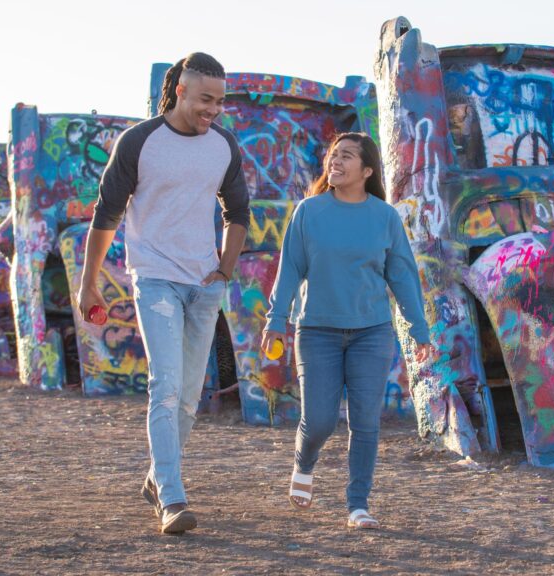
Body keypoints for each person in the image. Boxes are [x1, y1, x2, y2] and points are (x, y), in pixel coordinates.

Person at [78, 52, 249, 535]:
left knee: (192, 393)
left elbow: (238, 211)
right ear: (181, 92)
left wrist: (224, 268)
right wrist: (88, 281)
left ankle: (156, 478)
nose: (213, 110)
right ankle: (172, 498)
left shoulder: (224, 145)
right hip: (154, 277)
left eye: (219, 101)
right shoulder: (139, 141)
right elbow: (106, 214)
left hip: (204, 283)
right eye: (204, 100)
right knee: (166, 383)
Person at [261, 132, 434, 530]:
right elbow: (290, 269)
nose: (335, 161)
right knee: (319, 420)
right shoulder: (309, 211)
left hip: (371, 332)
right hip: (317, 330)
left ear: (367, 170)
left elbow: (403, 277)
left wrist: (419, 328)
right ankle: (304, 462)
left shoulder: (384, 217)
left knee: (365, 422)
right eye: (333, 155)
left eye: (347, 157)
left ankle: (358, 505)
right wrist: (276, 321)